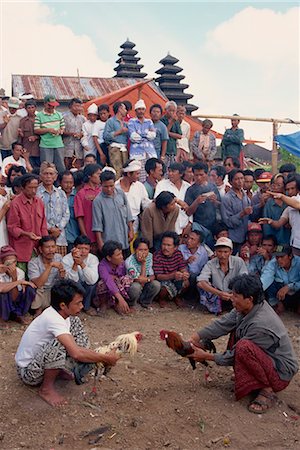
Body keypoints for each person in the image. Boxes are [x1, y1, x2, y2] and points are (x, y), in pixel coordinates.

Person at [188, 274, 298, 414]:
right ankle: (251, 377)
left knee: (244, 347)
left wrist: (207, 356)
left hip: (280, 374)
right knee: (238, 333)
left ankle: (268, 390)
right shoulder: (248, 308)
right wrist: (195, 337)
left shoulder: (261, 324)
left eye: (235, 296)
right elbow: (223, 323)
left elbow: (234, 355)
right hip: (268, 360)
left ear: (249, 299)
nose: (231, 298)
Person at [15, 279, 120, 407]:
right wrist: (106, 358)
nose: (82, 306)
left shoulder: (62, 315)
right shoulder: (53, 319)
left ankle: (58, 370)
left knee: (75, 325)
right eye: (78, 303)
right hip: (28, 372)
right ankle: (46, 389)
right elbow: (76, 353)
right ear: (63, 305)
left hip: (39, 359)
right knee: (61, 344)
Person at [7, 174, 48, 269]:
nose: (33, 191)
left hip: (37, 247)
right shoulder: (15, 203)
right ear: (23, 187)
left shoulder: (39, 202)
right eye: (30, 188)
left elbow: (43, 225)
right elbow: (12, 227)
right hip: (21, 248)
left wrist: (45, 241)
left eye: (35, 187)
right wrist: (26, 234)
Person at [197, 237, 248, 314]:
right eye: (219, 251)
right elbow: (200, 282)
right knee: (203, 286)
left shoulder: (238, 261)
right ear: (215, 252)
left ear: (231, 252)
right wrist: (219, 293)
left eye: (225, 252)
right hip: (218, 295)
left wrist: (233, 294)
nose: (222, 255)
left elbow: (244, 280)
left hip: (234, 294)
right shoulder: (211, 263)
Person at [92, 170, 133, 254]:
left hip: (124, 239)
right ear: (101, 184)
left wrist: (131, 230)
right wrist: (100, 243)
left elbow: (128, 214)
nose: (109, 189)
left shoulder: (121, 194)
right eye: (106, 186)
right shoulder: (98, 201)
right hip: (109, 242)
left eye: (111, 185)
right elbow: (97, 225)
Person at [259, 175, 300, 255]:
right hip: (295, 244)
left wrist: (281, 196)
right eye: (288, 189)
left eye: (292, 188)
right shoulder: (288, 207)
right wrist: (270, 221)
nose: (290, 191)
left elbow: (297, 205)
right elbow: (279, 223)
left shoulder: (295, 201)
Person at [37, 162, 70, 256]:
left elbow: (66, 214)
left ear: (55, 176)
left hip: (60, 237)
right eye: (45, 173)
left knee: (60, 265)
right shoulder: (36, 194)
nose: (48, 176)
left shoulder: (61, 193)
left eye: (51, 174)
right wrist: (50, 229)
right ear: (40, 176)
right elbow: (37, 215)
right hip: (43, 235)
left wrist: (58, 228)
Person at [28, 236, 66, 316]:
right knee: (34, 287)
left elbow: (62, 279)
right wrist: (50, 266)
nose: (51, 250)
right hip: (41, 291)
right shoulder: (33, 262)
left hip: (53, 290)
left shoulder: (58, 258)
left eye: (53, 247)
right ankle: (38, 311)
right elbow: (39, 283)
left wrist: (62, 275)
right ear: (41, 249)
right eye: (47, 247)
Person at [63, 235, 99, 315]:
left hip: (87, 284)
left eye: (86, 249)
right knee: (74, 285)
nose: (83, 251)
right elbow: (71, 281)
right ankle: (73, 307)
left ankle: (86, 306)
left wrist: (82, 264)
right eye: (80, 248)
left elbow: (92, 280)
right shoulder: (66, 259)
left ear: (90, 249)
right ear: (74, 248)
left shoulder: (93, 259)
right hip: (74, 285)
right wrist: (75, 264)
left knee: (91, 285)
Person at [116, 160, 150, 240]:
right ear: (128, 174)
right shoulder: (115, 187)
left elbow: (145, 204)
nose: (139, 176)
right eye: (137, 174)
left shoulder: (139, 186)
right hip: (118, 224)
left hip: (135, 225)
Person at [0, 245, 36, 324]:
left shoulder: (20, 272)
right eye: (8, 263)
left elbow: (14, 298)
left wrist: (14, 278)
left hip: (14, 299)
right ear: (1, 263)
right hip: (4, 300)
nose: (12, 265)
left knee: (30, 289)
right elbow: (1, 289)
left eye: (14, 262)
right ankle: (2, 318)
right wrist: (17, 282)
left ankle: (17, 314)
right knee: (3, 294)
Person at [96, 240, 134, 314]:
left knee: (125, 280)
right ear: (109, 258)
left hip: (119, 287)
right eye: (118, 255)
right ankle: (104, 303)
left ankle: (119, 304)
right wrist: (120, 299)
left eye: (121, 253)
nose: (121, 257)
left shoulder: (122, 263)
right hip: (109, 289)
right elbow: (108, 281)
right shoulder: (102, 266)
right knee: (101, 284)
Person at [153, 231, 189, 308]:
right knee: (163, 288)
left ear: (175, 247)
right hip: (164, 279)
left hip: (175, 278)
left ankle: (177, 297)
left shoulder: (178, 254)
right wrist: (172, 275)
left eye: (169, 245)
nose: (165, 248)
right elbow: (158, 276)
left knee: (186, 283)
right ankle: (162, 299)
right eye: (164, 244)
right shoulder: (157, 256)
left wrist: (185, 274)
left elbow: (182, 267)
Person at [261, 244, 300, 314]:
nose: (279, 259)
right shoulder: (273, 263)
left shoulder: (299, 262)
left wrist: (289, 287)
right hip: (280, 295)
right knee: (270, 283)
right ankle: (278, 304)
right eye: (277, 257)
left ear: (290, 256)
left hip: (296, 292)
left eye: (282, 257)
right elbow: (265, 278)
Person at [221, 169, 252, 254]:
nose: (240, 181)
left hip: (245, 237)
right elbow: (227, 221)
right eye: (237, 179)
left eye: (242, 178)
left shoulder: (245, 195)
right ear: (231, 182)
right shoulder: (227, 199)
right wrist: (242, 213)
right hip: (234, 238)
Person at [155, 162, 190, 235]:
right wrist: (177, 200)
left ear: (181, 174)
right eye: (169, 171)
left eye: (173, 171)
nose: (170, 174)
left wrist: (190, 223)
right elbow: (157, 200)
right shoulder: (162, 184)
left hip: (185, 225)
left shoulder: (188, 187)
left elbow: (190, 206)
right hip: (168, 224)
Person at [185, 162, 220, 234]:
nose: (198, 178)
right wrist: (196, 202)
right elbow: (188, 212)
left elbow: (220, 205)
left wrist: (215, 201)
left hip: (213, 225)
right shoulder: (190, 190)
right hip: (198, 226)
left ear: (206, 174)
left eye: (201, 175)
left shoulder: (213, 187)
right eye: (196, 175)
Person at [125, 237, 161, 309]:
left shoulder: (150, 256)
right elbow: (139, 281)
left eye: (146, 250)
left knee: (156, 284)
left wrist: (147, 279)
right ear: (135, 250)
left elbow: (152, 276)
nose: (143, 252)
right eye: (140, 250)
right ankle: (132, 304)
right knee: (136, 287)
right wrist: (143, 263)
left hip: (144, 282)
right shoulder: (129, 261)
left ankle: (145, 302)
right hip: (132, 284)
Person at [34, 95, 65, 173]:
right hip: (45, 145)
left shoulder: (59, 114)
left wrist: (60, 131)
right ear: (45, 104)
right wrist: (48, 130)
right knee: (46, 168)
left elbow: (63, 127)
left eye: (53, 106)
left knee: (60, 167)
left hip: (58, 144)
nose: (51, 107)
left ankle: (59, 184)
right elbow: (36, 130)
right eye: (49, 105)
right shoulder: (39, 115)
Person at [127, 99, 156, 183]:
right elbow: (133, 137)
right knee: (139, 176)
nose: (141, 111)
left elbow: (153, 135)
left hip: (150, 152)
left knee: (151, 175)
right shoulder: (131, 122)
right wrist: (146, 134)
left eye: (142, 109)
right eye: (139, 109)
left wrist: (141, 135)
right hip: (137, 153)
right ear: (135, 111)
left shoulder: (149, 121)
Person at [74, 164, 102, 251]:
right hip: (90, 234)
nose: (100, 177)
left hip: (104, 233)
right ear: (90, 175)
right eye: (98, 174)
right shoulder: (81, 194)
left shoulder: (102, 191)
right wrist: (85, 236)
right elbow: (80, 217)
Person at [261, 173, 290, 245]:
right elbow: (266, 224)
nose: (275, 187)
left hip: (289, 238)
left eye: (278, 185)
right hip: (274, 240)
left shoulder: (289, 200)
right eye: (273, 185)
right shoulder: (269, 203)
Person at [103, 101, 128, 179]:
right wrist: (119, 132)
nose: (126, 111)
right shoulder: (110, 121)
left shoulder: (125, 123)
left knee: (125, 170)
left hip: (124, 148)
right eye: (124, 109)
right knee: (117, 170)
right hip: (115, 148)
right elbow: (105, 136)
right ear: (120, 109)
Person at [59, 171, 80, 251]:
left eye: (71, 182)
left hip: (74, 236)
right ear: (60, 183)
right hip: (60, 238)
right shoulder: (56, 196)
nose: (69, 185)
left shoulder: (77, 196)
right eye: (66, 182)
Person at [63, 98, 85, 169]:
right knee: (67, 167)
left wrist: (82, 134)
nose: (77, 108)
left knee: (78, 167)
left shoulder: (83, 118)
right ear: (70, 107)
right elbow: (60, 131)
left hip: (79, 148)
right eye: (75, 106)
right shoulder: (64, 117)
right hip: (67, 147)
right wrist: (71, 134)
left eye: (79, 106)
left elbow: (85, 131)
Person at [18, 99, 40, 168]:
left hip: (39, 150)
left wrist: (36, 137)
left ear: (35, 108)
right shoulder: (22, 121)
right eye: (29, 108)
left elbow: (45, 134)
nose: (31, 110)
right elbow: (20, 137)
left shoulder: (40, 119)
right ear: (25, 109)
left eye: (32, 107)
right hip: (27, 150)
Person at [160, 101, 182, 169]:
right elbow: (163, 134)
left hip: (173, 150)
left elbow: (180, 136)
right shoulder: (162, 120)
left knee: (173, 169)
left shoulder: (176, 121)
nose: (172, 112)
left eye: (173, 111)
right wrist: (171, 122)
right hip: (164, 150)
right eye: (170, 110)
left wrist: (169, 133)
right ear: (166, 110)